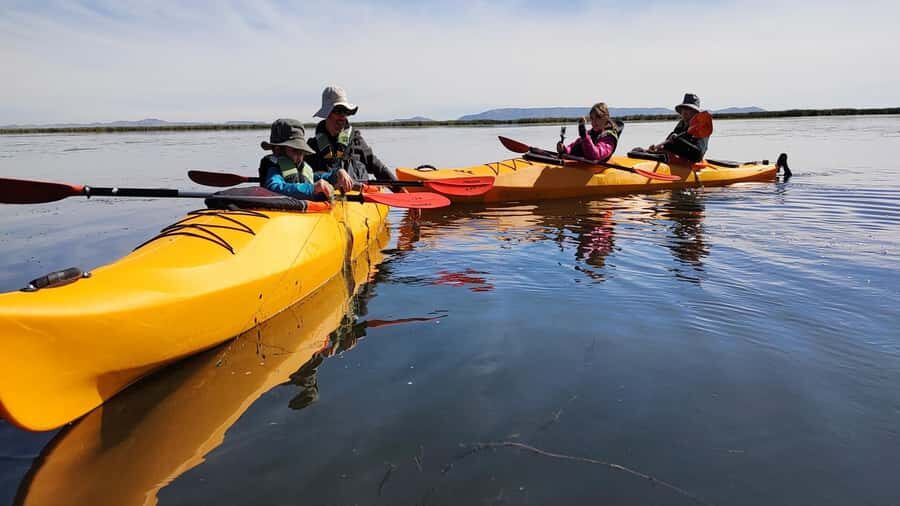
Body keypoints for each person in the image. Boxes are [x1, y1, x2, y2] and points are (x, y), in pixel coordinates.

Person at [307, 85, 400, 189]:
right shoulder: (312, 146)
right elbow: (304, 177)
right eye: (338, 111)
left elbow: (378, 168)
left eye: (345, 111)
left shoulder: (357, 141)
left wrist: (399, 189)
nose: (342, 117)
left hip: (360, 196)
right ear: (326, 114)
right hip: (329, 196)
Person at [258, 118, 335, 199]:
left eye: (302, 151)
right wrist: (311, 189)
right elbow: (273, 187)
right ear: (278, 150)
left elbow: (315, 176)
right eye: (295, 150)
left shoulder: (301, 166)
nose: (300, 155)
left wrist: (334, 176)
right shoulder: (273, 169)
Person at [646, 93, 709, 163]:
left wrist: (679, 141)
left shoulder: (702, 127)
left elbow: (698, 156)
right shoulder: (682, 124)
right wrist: (657, 148)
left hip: (693, 162)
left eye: (690, 109)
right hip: (678, 159)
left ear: (696, 113)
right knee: (639, 150)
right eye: (684, 109)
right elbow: (669, 142)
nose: (685, 112)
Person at [556, 102, 623, 162]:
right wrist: (564, 149)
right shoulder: (590, 133)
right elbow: (573, 147)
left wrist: (584, 135)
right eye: (592, 118)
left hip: (596, 167)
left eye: (598, 117)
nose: (594, 121)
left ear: (606, 117)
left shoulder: (609, 138)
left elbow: (595, 156)